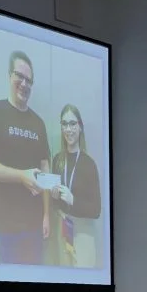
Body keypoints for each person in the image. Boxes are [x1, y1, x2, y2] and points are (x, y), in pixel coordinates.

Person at [0, 50, 51, 265]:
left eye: (29, 80)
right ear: (9, 75)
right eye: (19, 76)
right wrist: (21, 176)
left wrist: (47, 215)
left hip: (35, 226)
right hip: (6, 227)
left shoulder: (39, 123)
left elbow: (45, 171)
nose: (24, 84)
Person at [51, 104, 101, 268]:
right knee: (64, 277)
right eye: (64, 124)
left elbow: (96, 210)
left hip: (83, 232)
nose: (68, 129)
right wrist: (54, 199)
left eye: (72, 124)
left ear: (80, 127)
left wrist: (73, 200)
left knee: (83, 278)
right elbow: (55, 203)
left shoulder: (89, 164)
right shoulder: (57, 160)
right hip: (63, 229)